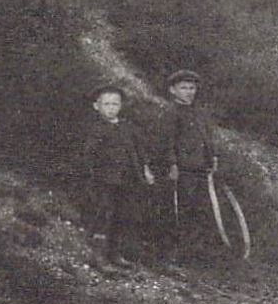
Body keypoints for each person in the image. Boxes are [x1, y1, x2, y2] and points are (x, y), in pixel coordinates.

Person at [80, 83, 155, 268]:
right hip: (104, 180)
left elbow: (139, 150)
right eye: (107, 104)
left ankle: (114, 253)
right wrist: (92, 176)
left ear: (121, 106)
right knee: (102, 214)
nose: (111, 108)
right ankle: (97, 255)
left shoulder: (127, 128)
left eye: (115, 104)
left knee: (122, 216)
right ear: (96, 106)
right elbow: (89, 155)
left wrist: (145, 170)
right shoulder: (96, 129)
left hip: (126, 179)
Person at [155, 68, 221, 263]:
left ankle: (192, 253)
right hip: (182, 171)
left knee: (198, 210)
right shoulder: (171, 112)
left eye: (192, 88)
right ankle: (172, 255)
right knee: (179, 211)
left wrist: (213, 157)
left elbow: (207, 138)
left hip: (201, 169)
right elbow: (167, 142)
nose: (189, 92)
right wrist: (172, 164)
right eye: (184, 88)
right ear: (173, 90)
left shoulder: (200, 113)